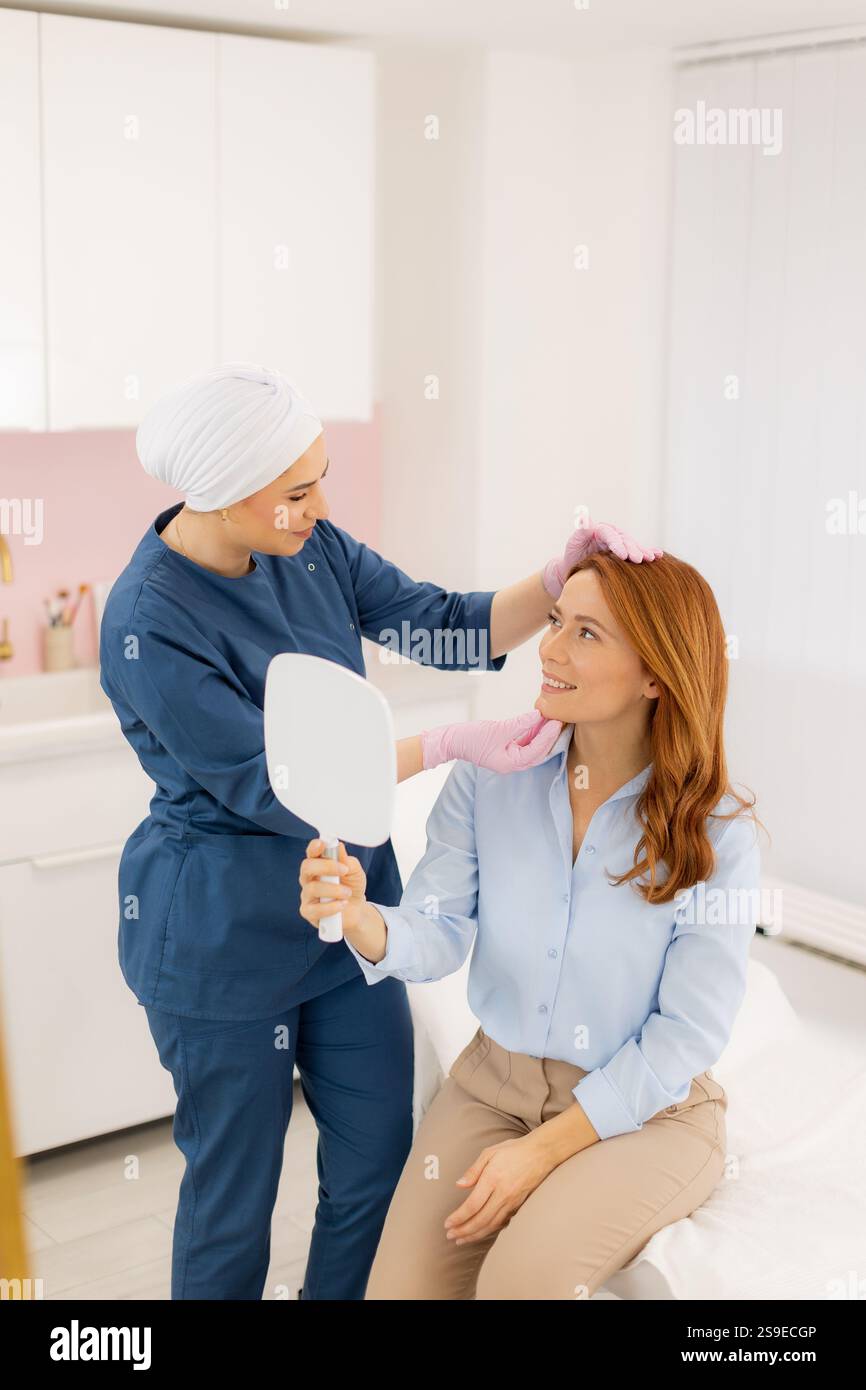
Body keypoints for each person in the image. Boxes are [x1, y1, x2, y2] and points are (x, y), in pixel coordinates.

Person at [99, 360, 661, 1300]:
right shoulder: (148, 621)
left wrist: (556, 574)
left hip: (349, 925)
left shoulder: (304, 544)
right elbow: (274, 781)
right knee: (234, 1193)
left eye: (321, 476)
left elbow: (442, 626)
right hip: (221, 939)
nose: (320, 502)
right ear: (228, 495)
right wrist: (446, 741)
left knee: (374, 1162)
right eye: (297, 490)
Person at [299, 549, 763, 1299]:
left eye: (587, 634)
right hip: (492, 1087)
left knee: (520, 1283)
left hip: (647, 1112)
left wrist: (543, 1151)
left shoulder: (716, 832)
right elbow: (436, 931)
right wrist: (358, 917)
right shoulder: (490, 776)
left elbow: (686, 1035)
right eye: (554, 622)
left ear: (656, 673)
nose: (546, 649)